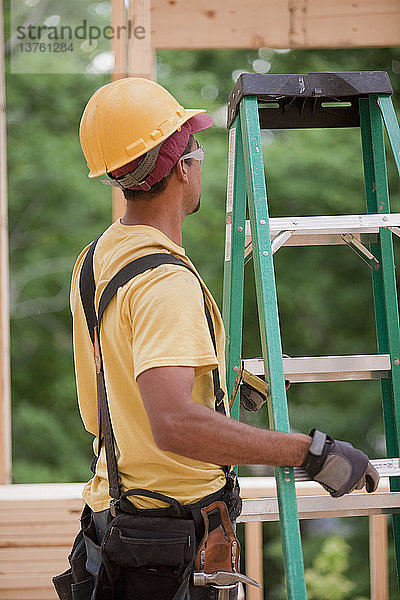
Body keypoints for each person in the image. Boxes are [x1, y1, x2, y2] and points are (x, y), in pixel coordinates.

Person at [69, 77, 379, 600]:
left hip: (119, 525)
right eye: (197, 153)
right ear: (181, 168)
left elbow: (110, 404)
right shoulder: (164, 280)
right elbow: (173, 424)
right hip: (167, 544)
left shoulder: (98, 258)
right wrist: (309, 453)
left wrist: (214, 383)